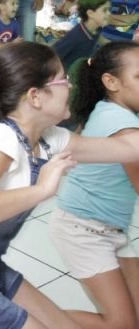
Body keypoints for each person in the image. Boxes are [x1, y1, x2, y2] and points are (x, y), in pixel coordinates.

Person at [0, 41, 139, 329]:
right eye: (63, 80)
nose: (71, 87)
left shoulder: (49, 138)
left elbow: (127, 148)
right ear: (35, 96)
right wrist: (42, 189)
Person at [50, 42, 139, 329]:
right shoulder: (122, 123)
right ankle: (23, 320)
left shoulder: (110, 108)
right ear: (111, 82)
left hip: (108, 227)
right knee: (121, 323)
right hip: (84, 229)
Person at [53, 0, 111, 70]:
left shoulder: (95, 29)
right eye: (105, 10)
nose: (109, 13)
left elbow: (101, 39)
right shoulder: (76, 36)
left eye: (109, 10)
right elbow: (52, 56)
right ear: (90, 13)